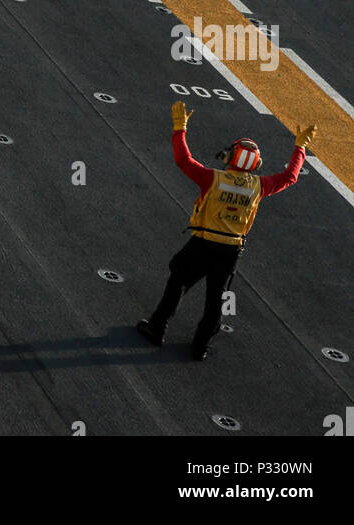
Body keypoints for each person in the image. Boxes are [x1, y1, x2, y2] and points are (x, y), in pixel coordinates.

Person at [136, 102, 317, 359]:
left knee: (178, 281)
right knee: (215, 301)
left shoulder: (213, 179)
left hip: (203, 243)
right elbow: (290, 177)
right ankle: (200, 347)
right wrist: (300, 147)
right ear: (256, 163)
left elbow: (183, 160)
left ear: (229, 157)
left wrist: (180, 128)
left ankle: (157, 328)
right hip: (231, 250)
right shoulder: (259, 185)